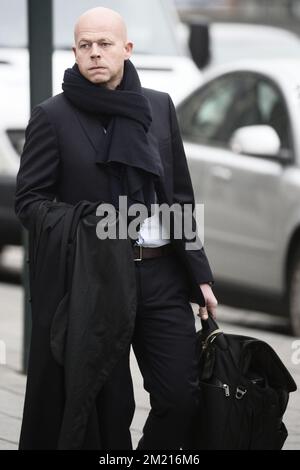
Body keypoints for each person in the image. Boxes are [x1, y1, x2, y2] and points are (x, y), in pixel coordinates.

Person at [15, 7, 218, 450]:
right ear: (74, 51)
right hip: (96, 280)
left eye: (104, 44)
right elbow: (29, 203)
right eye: (85, 45)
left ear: (126, 49)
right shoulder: (52, 116)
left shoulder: (159, 107)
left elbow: (179, 193)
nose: (94, 53)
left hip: (161, 276)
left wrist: (200, 275)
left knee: (181, 398)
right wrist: (85, 223)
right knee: (108, 412)